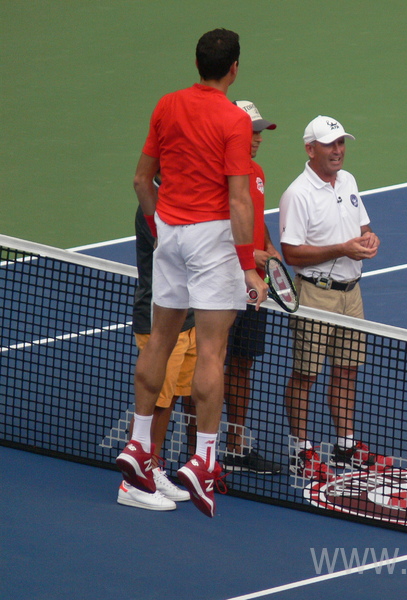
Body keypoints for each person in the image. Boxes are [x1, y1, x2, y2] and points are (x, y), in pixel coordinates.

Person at [116, 28, 268, 518]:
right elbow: (240, 199)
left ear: (199, 63)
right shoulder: (233, 120)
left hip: (171, 234)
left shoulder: (166, 105)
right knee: (212, 350)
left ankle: (140, 445)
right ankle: (204, 459)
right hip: (212, 240)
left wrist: (161, 227)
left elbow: (142, 179)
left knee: (160, 340)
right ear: (234, 69)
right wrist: (249, 266)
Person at [279, 115, 387, 481]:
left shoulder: (349, 181)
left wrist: (369, 239)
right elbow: (291, 253)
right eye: (330, 144)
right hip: (315, 295)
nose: (338, 151)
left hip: (351, 294)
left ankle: (345, 446)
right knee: (306, 375)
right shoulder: (297, 194)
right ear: (310, 149)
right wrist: (343, 248)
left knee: (347, 370)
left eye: (341, 143)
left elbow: (363, 227)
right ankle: (301, 451)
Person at [117, 205, 194, 511]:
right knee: (155, 401)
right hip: (158, 321)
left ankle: (151, 467)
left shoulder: (184, 198)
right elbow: (177, 255)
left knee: (169, 398)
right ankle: (132, 483)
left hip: (187, 318)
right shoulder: (155, 205)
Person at [221, 100, 282, 474]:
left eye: (259, 130)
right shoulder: (221, 172)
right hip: (222, 285)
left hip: (252, 287)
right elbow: (215, 228)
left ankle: (235, 446)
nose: (257, 137)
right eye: (251, 130)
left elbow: (254, 219)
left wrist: (270, 250)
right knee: (210, 364)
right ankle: (200, 446)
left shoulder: (256, 172)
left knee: (242, 365)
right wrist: (253, 254)